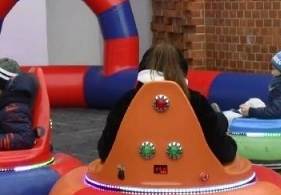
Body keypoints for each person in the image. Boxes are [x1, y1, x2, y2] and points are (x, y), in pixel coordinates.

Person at [96, 42, 236, 165]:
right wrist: (232, 143)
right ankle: (222, 118)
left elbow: (105, 150)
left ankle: (221, 118)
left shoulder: (127, 102)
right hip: (188, 176)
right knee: (218, 121)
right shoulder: (196, 103)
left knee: (217, 121)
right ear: (182, 73)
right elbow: (224, 153)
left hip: (137, 175)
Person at [231, 45, 281, 120]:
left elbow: (277, 112)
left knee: (242, 112)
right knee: (254, 101)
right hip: (276, 112)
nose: (271, 72)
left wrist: (250, 111)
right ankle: (239, 112)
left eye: (274, 69)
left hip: (279, 121)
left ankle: (234, 117)